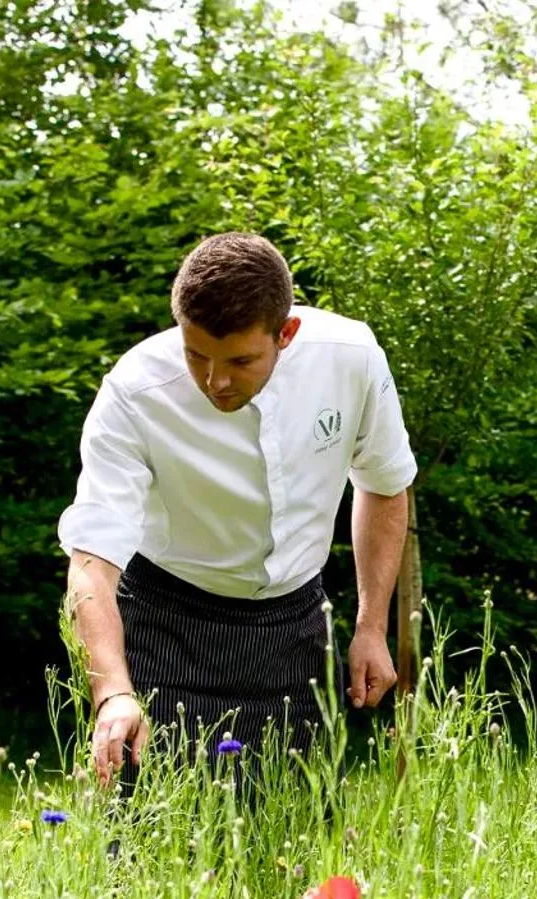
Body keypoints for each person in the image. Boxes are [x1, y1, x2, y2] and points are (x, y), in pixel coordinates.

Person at [58, 233, 415, 788]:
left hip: (295, 625)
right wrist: (114, 692)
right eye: (195, 354)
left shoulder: (353, 358)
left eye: (240, 360)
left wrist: (371, 625)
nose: (215, 381)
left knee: (297, 848)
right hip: (166, 625)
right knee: (147, 843)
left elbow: (385, 485)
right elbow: (92, 559)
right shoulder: (134, 391)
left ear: (286, 333)